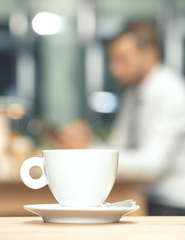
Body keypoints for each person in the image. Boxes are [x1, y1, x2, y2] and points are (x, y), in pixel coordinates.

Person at [46, 21, 185, 216]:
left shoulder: (172, 92)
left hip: (170, 206)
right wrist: (87, 142)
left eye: (123, 59)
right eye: (113, 60)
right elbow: (116, 147)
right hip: (142, 198)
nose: (114, 69)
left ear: (151, 55)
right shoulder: (133, 93)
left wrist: (89, 151)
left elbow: (153, 164)